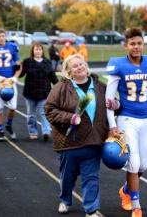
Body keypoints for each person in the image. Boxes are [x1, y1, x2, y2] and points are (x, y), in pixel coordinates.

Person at [105, 28, 147, 217]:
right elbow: (109, 100)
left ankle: (126, 189)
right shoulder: (118, 65)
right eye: (132, 43)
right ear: (126, 45)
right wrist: (112, 125)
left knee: (144, 166)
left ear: (143, 44)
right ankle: (135, 204)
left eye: (139, 43)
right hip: (126, 120)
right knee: (133, 163)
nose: (136, 47)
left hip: (145, 121)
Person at [45, 54, 109, 217]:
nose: (80, 67)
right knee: (68, 176)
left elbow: (112, 106)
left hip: (94, 141)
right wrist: (69, 118)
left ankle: (91, 209)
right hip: (69, 142)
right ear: (68, 71)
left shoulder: (100, 86)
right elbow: (49, 110)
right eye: (75, 66)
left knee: (91, 177)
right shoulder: (61, 88)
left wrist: (116, 104)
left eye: (81, 64)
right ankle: (65, 200)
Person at [20, 43, 58, 141]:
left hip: (44, 92)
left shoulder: (47, 62)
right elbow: (21, 74)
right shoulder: (27, 62)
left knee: (43, 113)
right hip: (30, 92)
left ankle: (46, 131)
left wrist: (58, 85)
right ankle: (33, 131)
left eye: (40, 49)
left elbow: (52, 76)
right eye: (36, 49)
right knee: (31, 114)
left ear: (42, 51)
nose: (38, 51)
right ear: (33, 51)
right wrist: (17, 67)